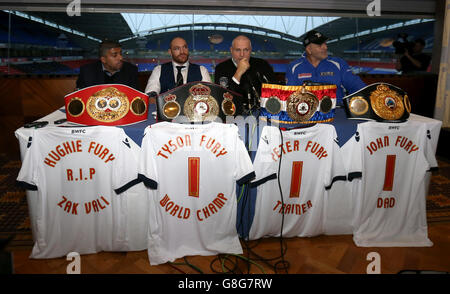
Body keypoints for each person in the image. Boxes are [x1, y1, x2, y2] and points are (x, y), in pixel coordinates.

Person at [285, 30, 366, 106]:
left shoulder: (338, 64)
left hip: (337, 113)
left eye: (325, 44)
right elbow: (291, 96)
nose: (325, 47)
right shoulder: (293, 67)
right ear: (309, 50)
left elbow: (359, 88)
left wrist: (352, 104)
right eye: (320, 45)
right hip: (305, 113)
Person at [214, 35, 276, 110]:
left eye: (246, 50)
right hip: (232, 114)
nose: (242, 54)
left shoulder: (262, 65)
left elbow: (274, 91)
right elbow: (223, 98)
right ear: (231, 50)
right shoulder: (221, 68)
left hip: (260, 113)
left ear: (251, 50)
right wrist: (239, 72)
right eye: (238, 50)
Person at [144, 37, 211, 95]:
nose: (182, 52)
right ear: (170, 52)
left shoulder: (202, 70)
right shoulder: (158, 70)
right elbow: (151, 93)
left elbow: (209, 95)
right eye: (177, 48)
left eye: (185, 47)